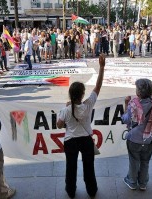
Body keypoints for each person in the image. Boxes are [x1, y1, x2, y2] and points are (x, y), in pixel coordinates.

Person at [56, 54, 105, 198]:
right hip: (86, 141)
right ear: (82, 95)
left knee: (70, 167)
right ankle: (92, 190)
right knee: (89, 167)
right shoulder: (88, 105)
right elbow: (98, 86)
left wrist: (64, 114)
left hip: (70, 141)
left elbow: (59, 125)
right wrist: (102, 67)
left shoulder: (65, 110)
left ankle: (70, 191)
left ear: (70, 94)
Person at [121, 79, 152, 191]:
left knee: (134, 160)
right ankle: (143, 183)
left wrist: (126, 104)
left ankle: (132, 181)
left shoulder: (134, 105)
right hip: (150, 138)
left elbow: (126, 119)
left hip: (134, 139)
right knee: (145, 161)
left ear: (139, 92)